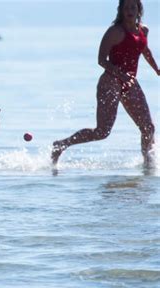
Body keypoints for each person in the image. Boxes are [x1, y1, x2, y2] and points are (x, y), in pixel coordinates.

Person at [51, 0, 158, 168]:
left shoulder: (143, 30)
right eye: (126, 7)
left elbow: (144, 49)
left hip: (130, 82)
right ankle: (61, 144)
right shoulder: (115, 31)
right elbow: (101, 60)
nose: (129, 10)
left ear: (139, 9)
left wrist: (157, 69)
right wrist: (121, 75)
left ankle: (148, 167)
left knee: (148, 128)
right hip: (110, 82)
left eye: (133, 6)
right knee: (102, 132)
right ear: (121, 10)